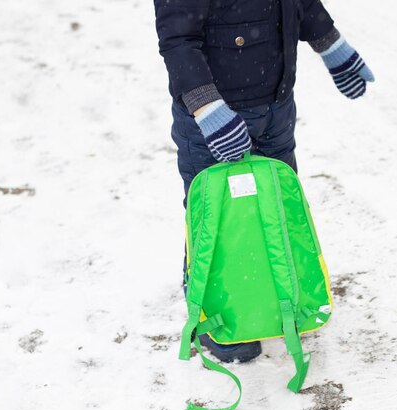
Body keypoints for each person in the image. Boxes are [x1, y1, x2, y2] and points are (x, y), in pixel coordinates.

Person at [153, 0, 374, 363]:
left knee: (277, 210)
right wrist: (208, 109)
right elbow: (178, 40)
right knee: (217, 221)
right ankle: (216, 320)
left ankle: (276, 301)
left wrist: (330, 44)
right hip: (213, 120)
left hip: (276, 108)